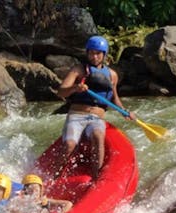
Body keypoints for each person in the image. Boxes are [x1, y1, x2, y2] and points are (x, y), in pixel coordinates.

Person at [56, 35, 136, 180]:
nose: (94, 56)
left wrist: (124, 111)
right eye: (91, 53)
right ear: (87, 53)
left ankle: (96, 177)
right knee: (69, 144)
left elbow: (114, 97)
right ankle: (56, 175)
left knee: (98, 136)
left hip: (96, 117)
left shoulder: (112, 75)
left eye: (98, 53)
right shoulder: (79, 70)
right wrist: (75, 88)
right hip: (77, 115)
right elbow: (61, 91)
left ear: (104, 55)